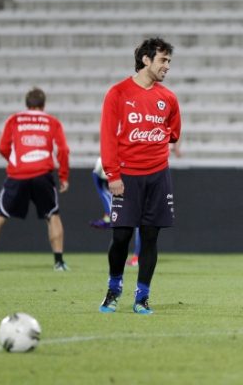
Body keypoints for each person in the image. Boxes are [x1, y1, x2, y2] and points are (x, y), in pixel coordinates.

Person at [98, 37, 181, 315]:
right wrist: (113, 174)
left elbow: (174, 132)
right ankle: (113, 288)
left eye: (169, 61)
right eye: (163, 60)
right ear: (146, 60)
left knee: (150, 237)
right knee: (120, 237)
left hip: (158, 177)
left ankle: (142, 297)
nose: (167, 66)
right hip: (126, 177)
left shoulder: (168, 98)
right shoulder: (118, 93)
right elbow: (108, 137)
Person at [0, 87, 70, 271]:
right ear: (43, 104)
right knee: (52, 216)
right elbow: (63, 150)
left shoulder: (14, 119)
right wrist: (63, 176)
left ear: (27, 103)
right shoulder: (52, 121)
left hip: (18, 175)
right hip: (43, 174)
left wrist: (16, 161)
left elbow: (2, 147)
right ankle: (59, 262)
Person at [90, 157, 140, 267]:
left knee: (139, 222)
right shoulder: (99, 174)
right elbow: (104, 192)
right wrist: (108, 214)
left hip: (135, 178)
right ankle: (128, 258)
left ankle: (136, 257)